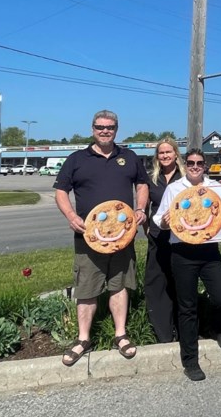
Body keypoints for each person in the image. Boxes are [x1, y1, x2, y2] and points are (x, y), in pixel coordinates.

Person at [53, 109, 149, 367]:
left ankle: (121, 334)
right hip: (88, 238)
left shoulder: (129, 157)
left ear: (117, 129)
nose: (105, 131)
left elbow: (142, 184)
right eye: (100, 127)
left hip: (122, 237)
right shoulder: (76, 159)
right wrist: (71, 216)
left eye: (110, 127)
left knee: (119, 285)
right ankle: (83, 339)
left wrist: (140, 208)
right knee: (86, 288)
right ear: (92, 128)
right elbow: (61, 191)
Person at [152, 148, 221, 382]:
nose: (195, 166)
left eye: (199, 163)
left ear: (205, 165)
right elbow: (158, 218)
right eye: (190, 163)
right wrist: (165, 223)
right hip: (182, 252)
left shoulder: (214, 187)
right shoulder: (174, 188)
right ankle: (190, 360)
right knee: (187, 307)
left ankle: (216, 328)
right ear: (184, 164)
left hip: (209, 250)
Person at [143, 138, 184, 343]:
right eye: (161, 153)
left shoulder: (185, 177)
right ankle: (164, 333)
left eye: (169, 152)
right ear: (157, 156)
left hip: (182, 238)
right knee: (156, 284)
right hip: (158, 237)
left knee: (179, 282)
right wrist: (147, 228)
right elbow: (144, 206)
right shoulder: (151, 177)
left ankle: (182, 327)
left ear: (176, 154)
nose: (165, 156)